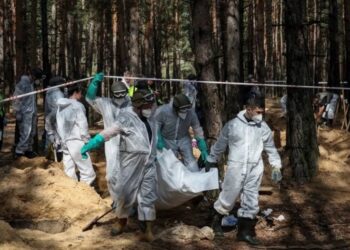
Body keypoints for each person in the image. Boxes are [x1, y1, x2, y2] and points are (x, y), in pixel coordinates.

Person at [80, 88, 157, 241]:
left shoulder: (150, 117)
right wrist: (92, 143)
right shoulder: (126, 117)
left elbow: (152, 134)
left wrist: (157, 145)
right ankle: (121, 222)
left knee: (148, 195)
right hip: (129, 162)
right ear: (139, 105)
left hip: (148, 162)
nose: (151, 108)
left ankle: (147, 229)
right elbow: (110, 131)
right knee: (123, 193)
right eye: (148, 105)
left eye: (151, 105)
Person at [206, 95, 282, 245]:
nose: (260, 114)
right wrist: (211, 159)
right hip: (236, 167)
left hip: (255, 167)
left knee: (251, 199)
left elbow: (270, 148)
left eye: (262, 111)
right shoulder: (233, 125)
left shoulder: (263, 127)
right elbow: (220, 144)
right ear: (249, 109)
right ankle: (215, 224)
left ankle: (244, 232)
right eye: (258, 111)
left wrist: (276, 165)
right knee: (228, 196)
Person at [86, 73, 131, 177]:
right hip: (111, 142)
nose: (120, 97)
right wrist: (94, 83)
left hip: (129, 142)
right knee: (113, 171)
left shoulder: (131, 104)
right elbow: (89, 98)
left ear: (126, 93)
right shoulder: (105, 103)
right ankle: (114, 192)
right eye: (117, 94)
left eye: (122, 93)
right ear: (112, 94)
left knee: (129, 170)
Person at [156, 93, 208, 172]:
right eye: (182, 110)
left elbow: (196, 127)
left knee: (192, 166)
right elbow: (156, 125)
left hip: (184, 139)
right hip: (167, 140)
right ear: (175, 108)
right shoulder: (163, 111)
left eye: (186, 110)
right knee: (170, 167)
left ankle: (192, 181)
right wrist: (158, 138)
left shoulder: (190, 113)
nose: (184, 112)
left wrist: (201, 142)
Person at [56, 84, 96, 185]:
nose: (81, 95)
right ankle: (84, 195)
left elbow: (58, 125)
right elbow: (82, 125)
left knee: (69, 171)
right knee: (88, 173)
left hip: (65, 142)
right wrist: (87, 141)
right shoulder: (78, 106)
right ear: (75, 93)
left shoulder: (60, 107)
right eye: (80, 93)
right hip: (77, 141)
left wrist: (59, 140)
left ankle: (71, 195)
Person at [13, 68, 44, 158]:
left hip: (31, 112)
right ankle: (19, 151)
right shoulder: (22, 84)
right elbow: (16, 99)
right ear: (33, 76)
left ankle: (28, 149)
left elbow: (31, 100)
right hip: (24, 113)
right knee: (25, 132)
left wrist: (35, 112)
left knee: (32, 132)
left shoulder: (31, 84)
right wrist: (17, 112)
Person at [45, 76, 65, 160]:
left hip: (50, 117)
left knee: (51, 136)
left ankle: (50, 155)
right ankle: (57, 157)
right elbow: (61, 105)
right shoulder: (58, 93)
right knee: (58, 137)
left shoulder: (49, 92)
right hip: (56, 117)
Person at [0, 79, 6, 150]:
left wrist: (4, 116)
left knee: (0, 133)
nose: (2, 85)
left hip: (1, 116)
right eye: (1, 83)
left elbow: (2, 106)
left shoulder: (1, 93)